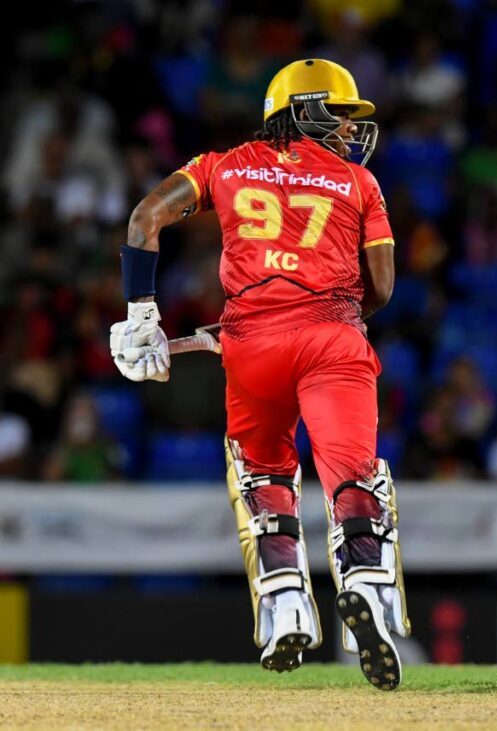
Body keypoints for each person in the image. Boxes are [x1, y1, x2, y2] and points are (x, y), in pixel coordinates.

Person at [108, 59, 409, 690]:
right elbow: (379, 290)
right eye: (339, 114)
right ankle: (370, 601)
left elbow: (144, 220)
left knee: (265, 477)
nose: (350, 132)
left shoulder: (221, 163)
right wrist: (320, 307)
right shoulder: (359, 182)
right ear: (301, 109)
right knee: (352, 476)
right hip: (332, 340)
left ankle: (283, 608)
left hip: (250, 346)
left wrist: (142, 315)